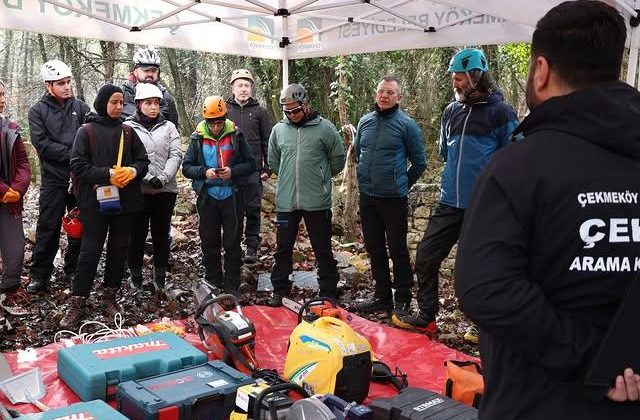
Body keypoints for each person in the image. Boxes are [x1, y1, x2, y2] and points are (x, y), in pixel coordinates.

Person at [455, 1, 640, 418]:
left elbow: (486, 289)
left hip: (537, 402)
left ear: (540, 70)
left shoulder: (518, 167)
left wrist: (593, 362)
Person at [391, 49, 518, 335]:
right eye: (453, 77)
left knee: (482, 268)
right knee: (425, 255)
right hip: (450, 202)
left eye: (459, 77)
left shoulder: (502, 113)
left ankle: (484, 328)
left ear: (476, 76)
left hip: (484, 207)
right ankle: (426, 317)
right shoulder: (451, 111)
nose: (454, 82)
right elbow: (445, 152)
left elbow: (515, 160)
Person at [63, 84, 149, 327]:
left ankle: (110, 296)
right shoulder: (86, 131)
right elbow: (78, 165)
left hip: (125, 203)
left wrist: (132, 171)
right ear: (102, 103)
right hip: (94, 202)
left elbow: (143, 161)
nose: (119, 106)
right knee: (89, 251)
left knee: (119, 249)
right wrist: (107, 174)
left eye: (122, 102)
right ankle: (78, 300)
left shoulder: (128, 132)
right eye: (114, 102)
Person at [353, 75, 427, 318]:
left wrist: (402, 184)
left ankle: (403, 298)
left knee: (398, 249)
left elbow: (419, 162)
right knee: (374, 248)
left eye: (390, 92)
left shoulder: (407, 125)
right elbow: (357, 153)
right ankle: (381, 296)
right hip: (368, 196)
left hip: (393, 198)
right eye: (381, 91)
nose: (384, 96)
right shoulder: (365, 121)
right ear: (376, 94)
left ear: (399, 97)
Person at [267, 83, 346, 307]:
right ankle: (279, 289)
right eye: (287, 111)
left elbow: (337, 159)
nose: (292, 115)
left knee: (322, 248)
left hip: (317, 201)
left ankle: (328, 291)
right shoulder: (279, 130)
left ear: (306, 105)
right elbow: (273, 160)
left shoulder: (325, 128)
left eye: (295, 110)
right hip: (286, 201)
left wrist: (320, 176)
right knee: (283, 248)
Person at [27, 60, 91, 294]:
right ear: (48, 86)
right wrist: (75, 154)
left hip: (79, 179)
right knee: (48, 226)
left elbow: (91, 135)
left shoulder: (81, 108)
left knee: (80, 226)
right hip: (54, 179)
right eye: (60, 83)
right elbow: (42, 144)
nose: (66, 87)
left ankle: (74, 268)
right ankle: (40, 274)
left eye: (68, 82)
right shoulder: (37, 111)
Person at [182, 96, 255, 295]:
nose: (215, 127)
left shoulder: (236, 135)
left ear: (225, 118)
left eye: (219, 122)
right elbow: (186, 168)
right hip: (208, 195)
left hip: (232, 195)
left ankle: (232, 285)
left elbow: (250, 164)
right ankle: (213, 282)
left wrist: (233, 172)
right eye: (211, 123)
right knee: (209, 240)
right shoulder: (197, 137)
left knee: (232, 242)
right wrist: (205, 172)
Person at [124, 83, 181, 293]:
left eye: (156, 103)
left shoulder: (169, 127)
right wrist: (146, 177)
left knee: (161, 235)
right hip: (138, 189)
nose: (153, 107)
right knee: (136, 235)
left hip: (165, 191)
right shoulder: (128, 128)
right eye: (148, 103)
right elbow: (127, 158)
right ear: (138, 104)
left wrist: (163, 177)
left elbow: (175, 155)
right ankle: (135, 277)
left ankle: (160, 278)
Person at [225, 69, 273, 264]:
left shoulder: (260, 111)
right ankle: (233, 245)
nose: (243, 89)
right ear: (233, 87)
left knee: (252, 208)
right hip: (230, 170)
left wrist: (267, 167)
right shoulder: (224, 110)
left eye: (246, 85)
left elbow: (267, 140)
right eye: (240, 85)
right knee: (232, 209)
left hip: (253, 169)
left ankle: (252, 246)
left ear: (251, 88)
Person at [0, 80, 31, 294]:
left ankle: (9, 289)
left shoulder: (10, 128)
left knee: (15, 250)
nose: (2, 100)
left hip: (10, 200)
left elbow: (22, 161)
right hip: (4, 193)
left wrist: (17, 189)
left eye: (2, 94)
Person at [122, 46, 178, 129]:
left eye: (153, 71)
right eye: (146, 70)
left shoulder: (166, 98)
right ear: (135, 72)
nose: (150, 74)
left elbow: (173, 129)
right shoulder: (122, 94)